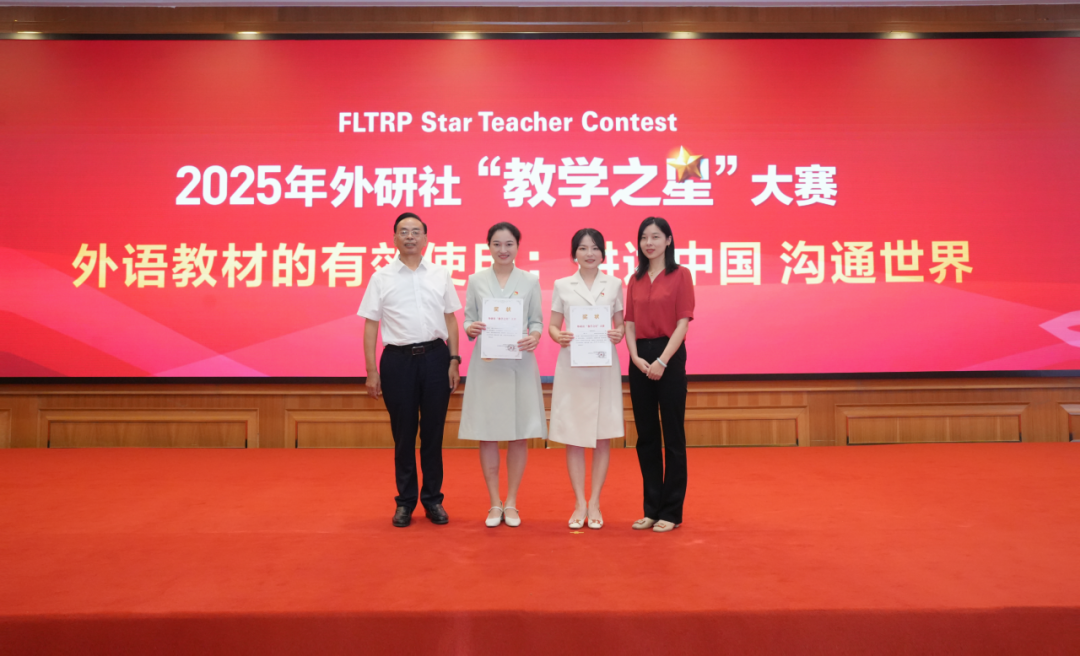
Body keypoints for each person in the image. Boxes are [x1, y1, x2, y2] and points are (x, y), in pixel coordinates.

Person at [358, 212, 462, 528]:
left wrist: (454, 359)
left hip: (436, 358)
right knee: (403, 435)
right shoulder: (381, 277)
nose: (410, 237)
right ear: (394, 238)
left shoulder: (440, 274)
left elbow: (450, 319)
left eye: (416, 231)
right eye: (403, 231)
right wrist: (371, 371)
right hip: (397, 361)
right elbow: (371, 325)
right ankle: (405, 502)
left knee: (433, 433)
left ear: (426, 238)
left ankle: (433, 500)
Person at [459, 222, 546, 528]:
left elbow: (537, 321)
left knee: (519, 434)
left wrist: (534, 336)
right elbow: (468, 319)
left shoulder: (530, 280)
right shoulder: (476, 280)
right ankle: (494, 502)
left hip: (519, 363)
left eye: (509, 244)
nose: (503, 250)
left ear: (518, 246)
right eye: (497, 244)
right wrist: (471, 328)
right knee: (488, 433)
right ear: (489, 246)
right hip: (488, 365)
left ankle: (511, 502)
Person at [548, 228, 625, 530]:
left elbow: (620, 325)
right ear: (574, 254)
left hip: (604, 366)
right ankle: (579, 502)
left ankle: (595, 501)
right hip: (574, 366)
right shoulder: (562, 285)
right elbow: (554, 325)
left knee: (603, 435)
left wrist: (617, 334)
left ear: (603, 253)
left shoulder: (615, 284)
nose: (589, 253)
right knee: (574, 436)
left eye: (594, 248)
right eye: (582, 248)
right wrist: (559, 336)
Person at [624, 217, 694, 533]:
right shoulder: (635, 278)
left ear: (668, 240)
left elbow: (683, 322)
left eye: (655, 237)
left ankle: (672, 511)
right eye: (644, 237)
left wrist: (662, 361)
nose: (648, 243)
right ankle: (651, 509)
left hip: (670, 355)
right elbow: (628, 323)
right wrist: (635, 357)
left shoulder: (681, 275)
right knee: (647, 437)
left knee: (673, 436)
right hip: (640, 358)